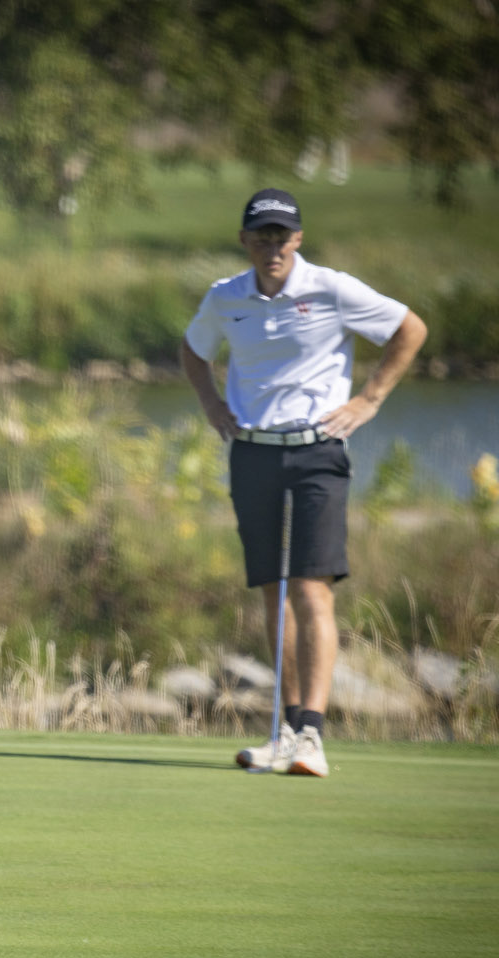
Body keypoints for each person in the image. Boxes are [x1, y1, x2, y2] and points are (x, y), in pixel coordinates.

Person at [180, 188, 427, 777]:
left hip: (318, 452)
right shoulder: (225, 297)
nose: (273, 247)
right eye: (261, 236)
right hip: (253, 453)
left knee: (312, 589)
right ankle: (286, 732)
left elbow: (409, 329)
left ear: (298, 239)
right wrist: (211, 404)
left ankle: (312, 735)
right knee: (274, 591)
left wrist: (369, 399)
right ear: (245, 240)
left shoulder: (331, 289)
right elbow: (193, 351)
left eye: (282, 236)